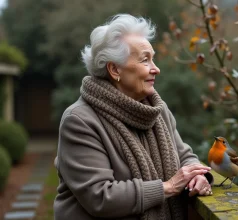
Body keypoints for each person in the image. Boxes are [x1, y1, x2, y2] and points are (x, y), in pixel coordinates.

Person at [54, 14, 213, 220]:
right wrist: (169, 187)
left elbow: (184, 156)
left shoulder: (157, 110)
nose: (156, 68)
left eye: (153, 58)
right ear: (114, 69)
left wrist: (198, 176)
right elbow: (100, 197)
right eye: (145, 59)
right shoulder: (79, 120)